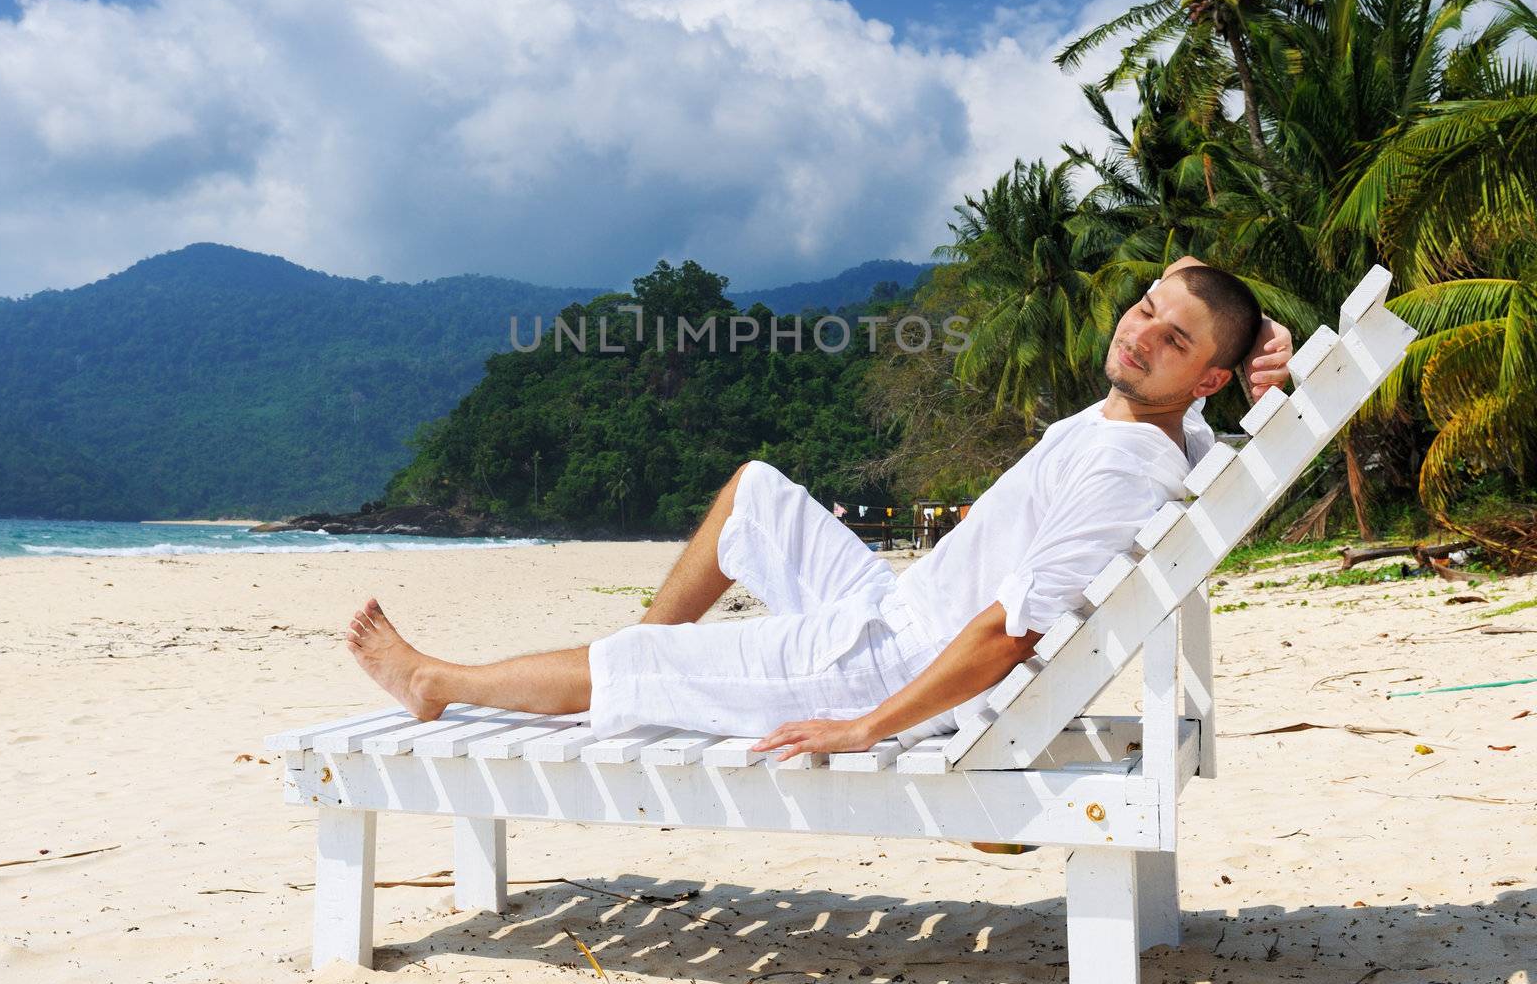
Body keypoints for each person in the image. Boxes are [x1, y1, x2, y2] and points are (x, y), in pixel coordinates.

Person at [343, 258, 1293, 761]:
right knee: (755, 495)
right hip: (892, 610)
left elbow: (1010, 635)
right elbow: (1191, 270)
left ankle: (441, 681)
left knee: (639, 660)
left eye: (1173, 340)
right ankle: (662, 675)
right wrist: (1259, 337)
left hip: (889, 666)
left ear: (1203, 374)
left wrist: (865, 728)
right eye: (1142, 311)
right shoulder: (1168, 419)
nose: (1140, 335)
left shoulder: (1128, 464)